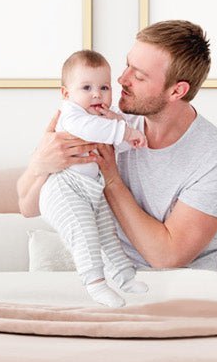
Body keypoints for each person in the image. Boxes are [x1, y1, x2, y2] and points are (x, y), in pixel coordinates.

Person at [18, 20, 217, 280]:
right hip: (108, 284)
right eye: (127, 65)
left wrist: (112, 178)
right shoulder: (102, 123)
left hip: (180, 292)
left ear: (176, 90)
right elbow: (28, 206)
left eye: (138, 76)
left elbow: (166, 257)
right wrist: (41, 164)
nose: (121, 80)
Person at [39, 49, 150, 306]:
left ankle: (124, 276)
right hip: (63, 188)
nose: (97, 94)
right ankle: (95, 283)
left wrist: (123, 129)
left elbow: (116, 146)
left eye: (104, 87)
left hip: (90, 188)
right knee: (86, 234)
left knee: (107, 232)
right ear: (66, 94)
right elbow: (93, 130)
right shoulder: (72, 115)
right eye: (86, 87)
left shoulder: (103, 119)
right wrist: (123, 130)